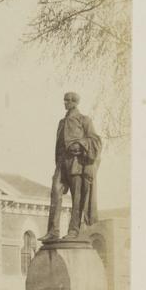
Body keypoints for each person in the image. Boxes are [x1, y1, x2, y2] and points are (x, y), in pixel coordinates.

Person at [42, 91, 102, 242]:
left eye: (68, 100)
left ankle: (74, 230)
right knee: (55, 192)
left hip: (77, 163)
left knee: (77, 198)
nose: (66, 103)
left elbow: (95, 141)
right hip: (62, 163)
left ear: (75, 102)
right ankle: (53, 231)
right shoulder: (61, 122)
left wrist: (80, 145)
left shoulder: (84, 120)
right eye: (65, 100)